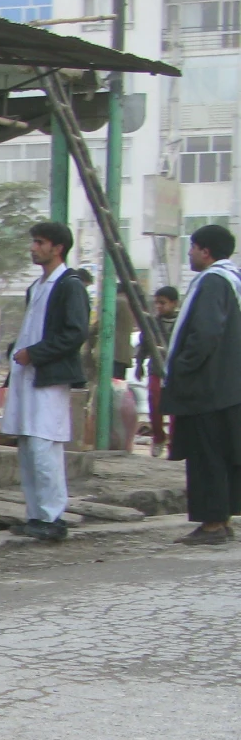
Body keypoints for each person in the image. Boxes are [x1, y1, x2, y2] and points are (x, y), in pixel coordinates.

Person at [1, 220, 91, 542]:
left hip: (48, 378)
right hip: (28, 376)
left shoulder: (70, 285)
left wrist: (36, 354)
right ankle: (35, 515)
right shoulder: (37, 287)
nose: (33, 248)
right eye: (34, 242)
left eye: (40, 243)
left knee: (44, 448)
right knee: (27, 447)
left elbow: (74, 333)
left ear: (57, 247)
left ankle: (53, 517)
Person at [160, 224, 241, 546]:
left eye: (192, 247)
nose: (190, 253)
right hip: (226, 387)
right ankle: (220, 518)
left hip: (207, 388)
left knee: (206, 455)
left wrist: (182, 368)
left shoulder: (212, 281)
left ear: (205, 251)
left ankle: (212, 525)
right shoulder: (231, 280)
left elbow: (206, 334)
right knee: (222, 455)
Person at [141, 283, 178, 456]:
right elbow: (144, 345)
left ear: (174, 303)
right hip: (156, 370)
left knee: (176, 412)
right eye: (156, 303)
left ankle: (174, 444)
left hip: (177, 373)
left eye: (162, 303)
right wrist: (139, 363)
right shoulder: (152, 323)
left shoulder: (182, 323)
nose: (159, 307)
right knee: (155, 406)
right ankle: (158, 438)